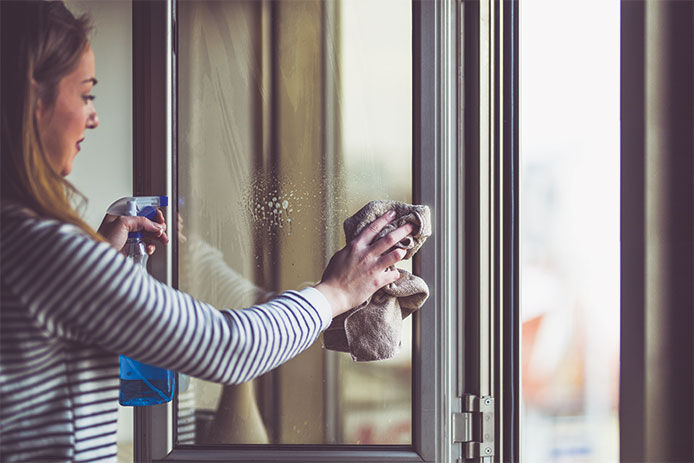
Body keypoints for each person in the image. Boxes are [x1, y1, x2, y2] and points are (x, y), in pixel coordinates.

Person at [0, 1, 413, 460]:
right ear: (33, 99)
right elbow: (226, 347)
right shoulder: (46, 249)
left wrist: (98, 261)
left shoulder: (17, 242)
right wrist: (336, 293)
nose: (93, 117)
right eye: (85, 94)